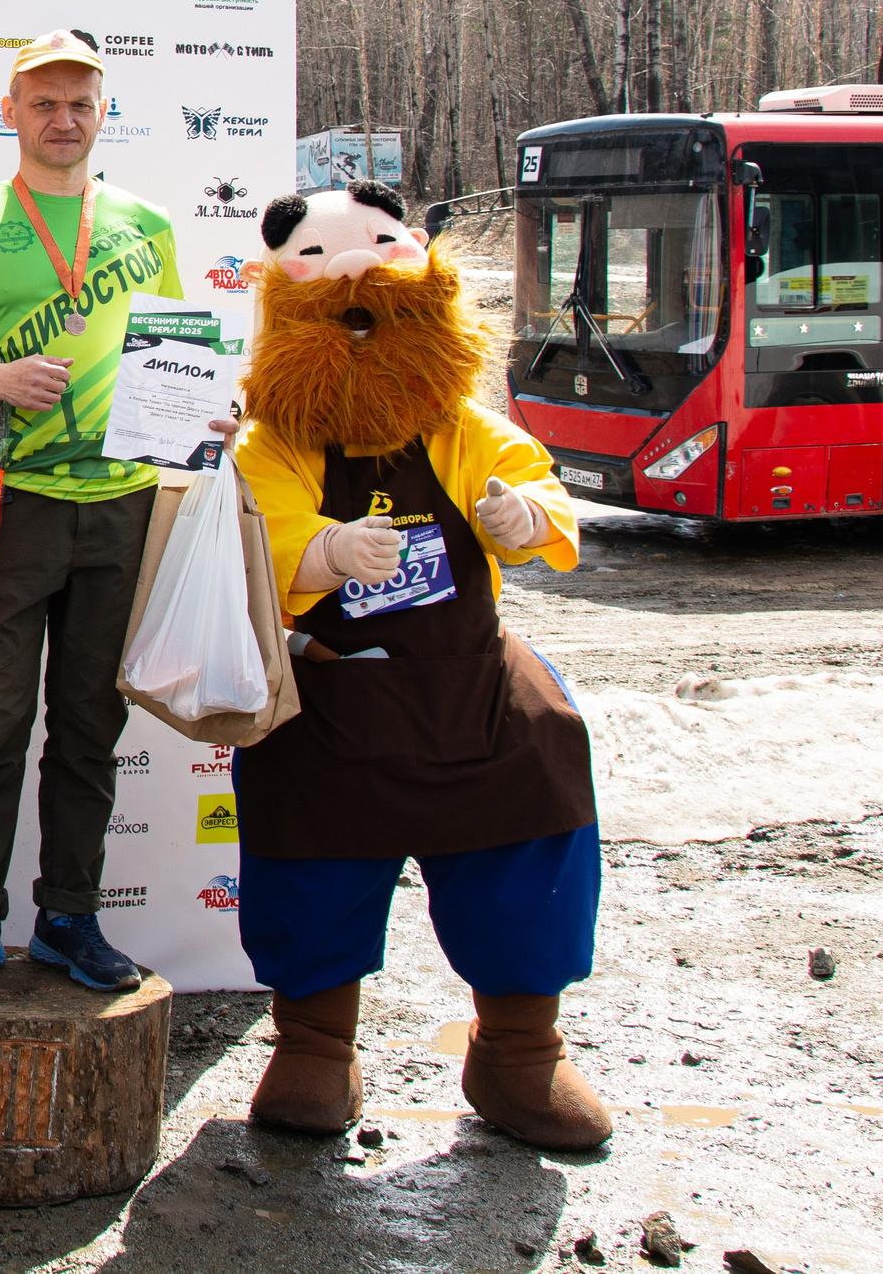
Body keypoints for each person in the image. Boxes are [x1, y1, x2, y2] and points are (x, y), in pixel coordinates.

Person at [231, 181, 609, 1151]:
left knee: (542, 766)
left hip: (464, 695)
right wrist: (318, 553)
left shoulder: (457, 423)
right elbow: (256, 519)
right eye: (323, 272)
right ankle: (314, 1043)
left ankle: (519, 1052)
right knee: (303, 842)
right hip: (334, 700)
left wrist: (527, 518)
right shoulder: (277, 432)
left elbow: (530, 479)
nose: (358, 302)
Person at [0, 31, 203, 996]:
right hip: (7, 499)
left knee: (88, 725)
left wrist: (203, 411)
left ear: (102, 111)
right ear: (12, 111)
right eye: (44, 103)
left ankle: (70, 917)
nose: (63, 119)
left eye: (80, 103)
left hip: (119, 503)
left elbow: (170, 354)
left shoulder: (147, 224)